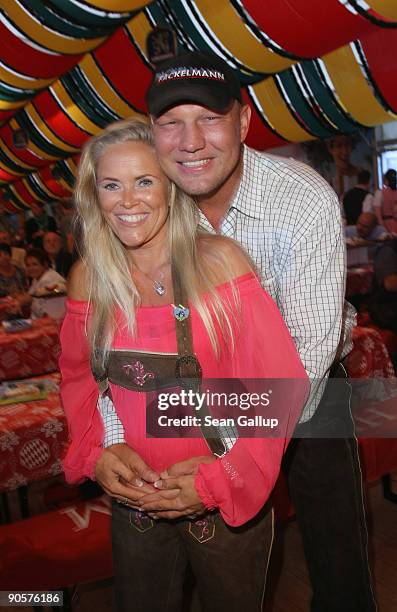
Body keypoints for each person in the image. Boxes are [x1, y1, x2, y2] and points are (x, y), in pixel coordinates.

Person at [94, 52, 376, 611]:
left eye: (210, 118)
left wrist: (230, 451)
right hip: (193, 386)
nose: (191, 140)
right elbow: (116, 345)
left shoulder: (300, 197)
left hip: (307, 386)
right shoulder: (148, 203)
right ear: (153, 133)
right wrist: (113, 434)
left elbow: (308, 347)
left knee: (335, 541)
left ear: (244, 122)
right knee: (209, 545)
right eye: (172, 122)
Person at [59, 119, 308, 611]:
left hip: (225, 500)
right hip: (138, 501)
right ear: (95, 196)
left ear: (171, 188)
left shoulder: (219, 262)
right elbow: (83, 383)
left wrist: (220, 476)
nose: (127, 201)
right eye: (112, 185)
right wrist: (100, 453)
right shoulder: (90, 278)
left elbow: (280, 389)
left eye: (144, 181)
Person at [25, 248, 66, 319]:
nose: (31, 268)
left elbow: (49, 313)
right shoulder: (37, 277)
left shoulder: (49, 279)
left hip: (54, 321)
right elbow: (30, 296)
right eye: (28, 265)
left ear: (45, 264)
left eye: (35, 264)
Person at [373, 168, 397, 233]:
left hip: (387, 224)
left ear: (385, 180)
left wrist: (382, 228)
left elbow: (377, 214)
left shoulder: (380, 193)